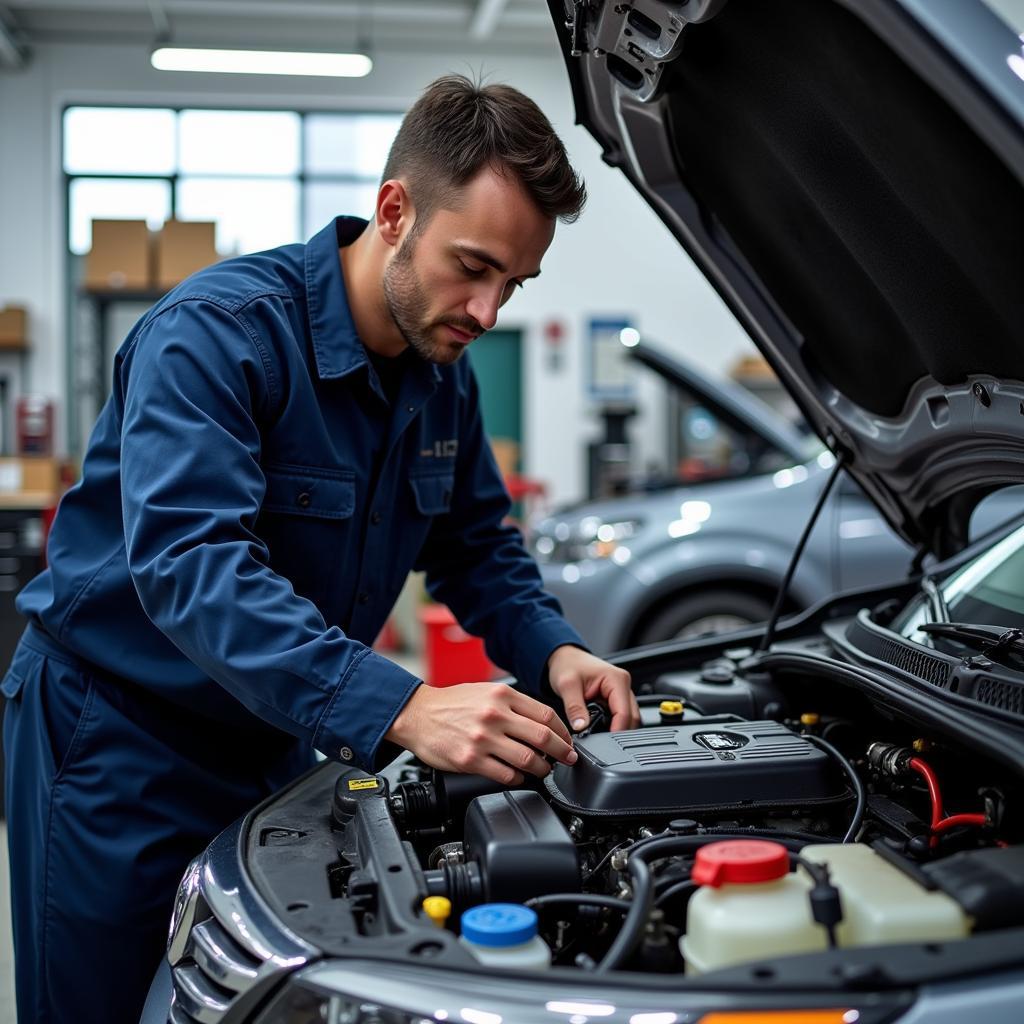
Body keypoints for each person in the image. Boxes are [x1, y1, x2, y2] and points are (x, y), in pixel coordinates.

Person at [2, 75, 639, 1022]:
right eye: (473, 265)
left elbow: (475, 547)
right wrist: (405, 704)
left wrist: (554, 648)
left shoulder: (440, 375)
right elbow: (194, 567)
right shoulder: (217, 338)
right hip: (116, 742)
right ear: (394, 210)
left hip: (275, 740)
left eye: (514, 283)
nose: (489, 309)